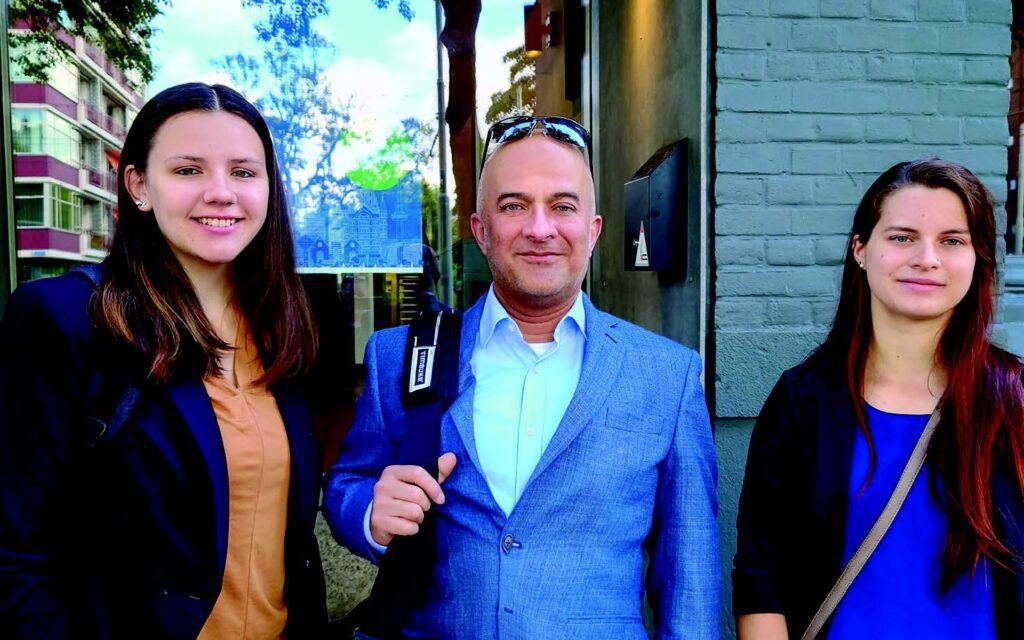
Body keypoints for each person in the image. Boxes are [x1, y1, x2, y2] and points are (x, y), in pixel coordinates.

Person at [324, 116, 719, 639]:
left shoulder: (665, 375)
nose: (539, 228)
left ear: (594, 230)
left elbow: (690, 583)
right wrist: (371, 513)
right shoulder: (400, 357)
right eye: (513, 206)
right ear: (481, 231)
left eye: (563, 206)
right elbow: (347, 484)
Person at [0, 83, 327, 639]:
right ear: (138, 186)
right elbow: (16, 555)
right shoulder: (66, 322)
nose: (221, 193)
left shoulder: (282, 330)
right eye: (188, 170)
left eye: (244, 173)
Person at [733, 158, 1024, 639]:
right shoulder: (803, 401)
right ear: (861, 250)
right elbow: (762, 578)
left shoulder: (1012, 400)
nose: (926, 258)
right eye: (902, 237)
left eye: (952, 240)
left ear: (978, 258)